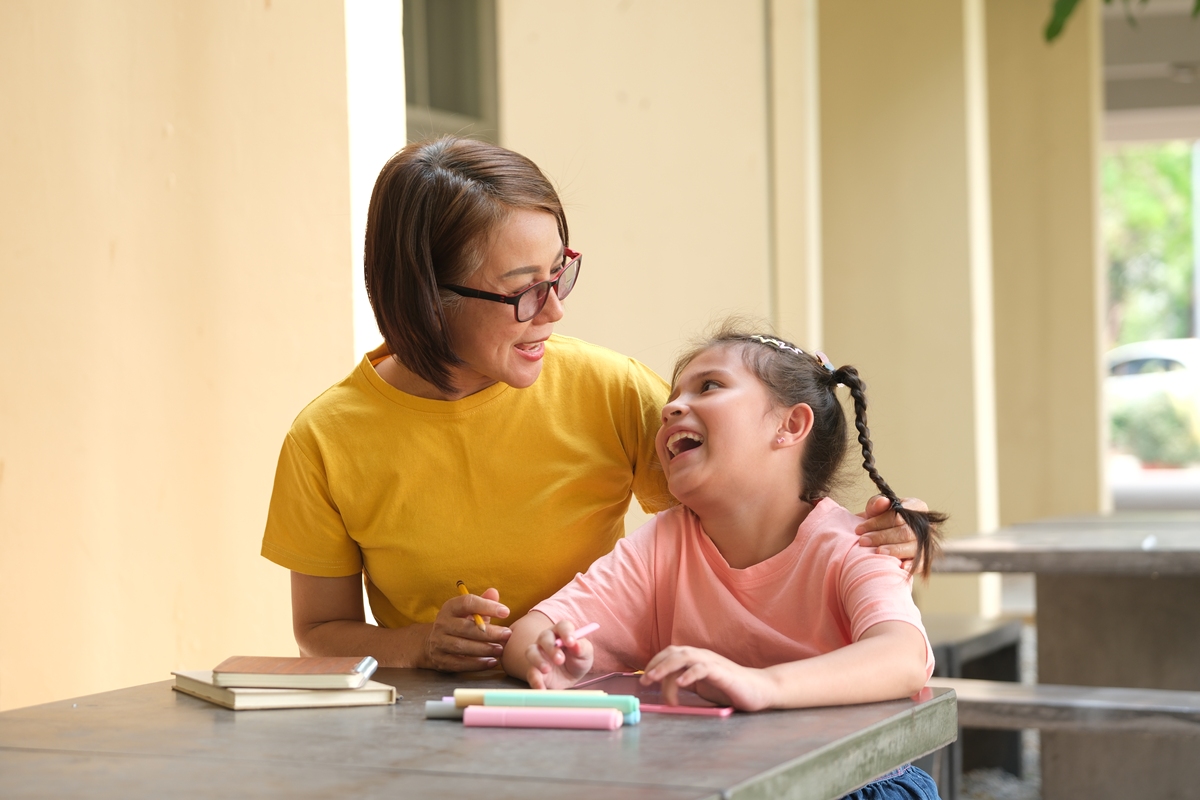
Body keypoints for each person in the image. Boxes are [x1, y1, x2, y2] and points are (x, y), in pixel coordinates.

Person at [261, 136, 924, 672]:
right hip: (434, 729)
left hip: (598, 713)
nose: (554, 309)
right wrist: (418, 645)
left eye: (559, 272)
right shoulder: (327, 438)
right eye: (524, 290)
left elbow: (764, 507)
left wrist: (883, 538)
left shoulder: (611, 390)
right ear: (427, 298)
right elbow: (319, 632)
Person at [503, 324, 945, 799]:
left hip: (851, 787)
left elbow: (903, 657)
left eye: (708, 386)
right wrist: (547, 656)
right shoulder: (662, 544)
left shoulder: (854, 543)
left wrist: (762, 686)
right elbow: (533, 630)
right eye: (674, 394)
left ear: (789, 426)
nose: (671, 407)